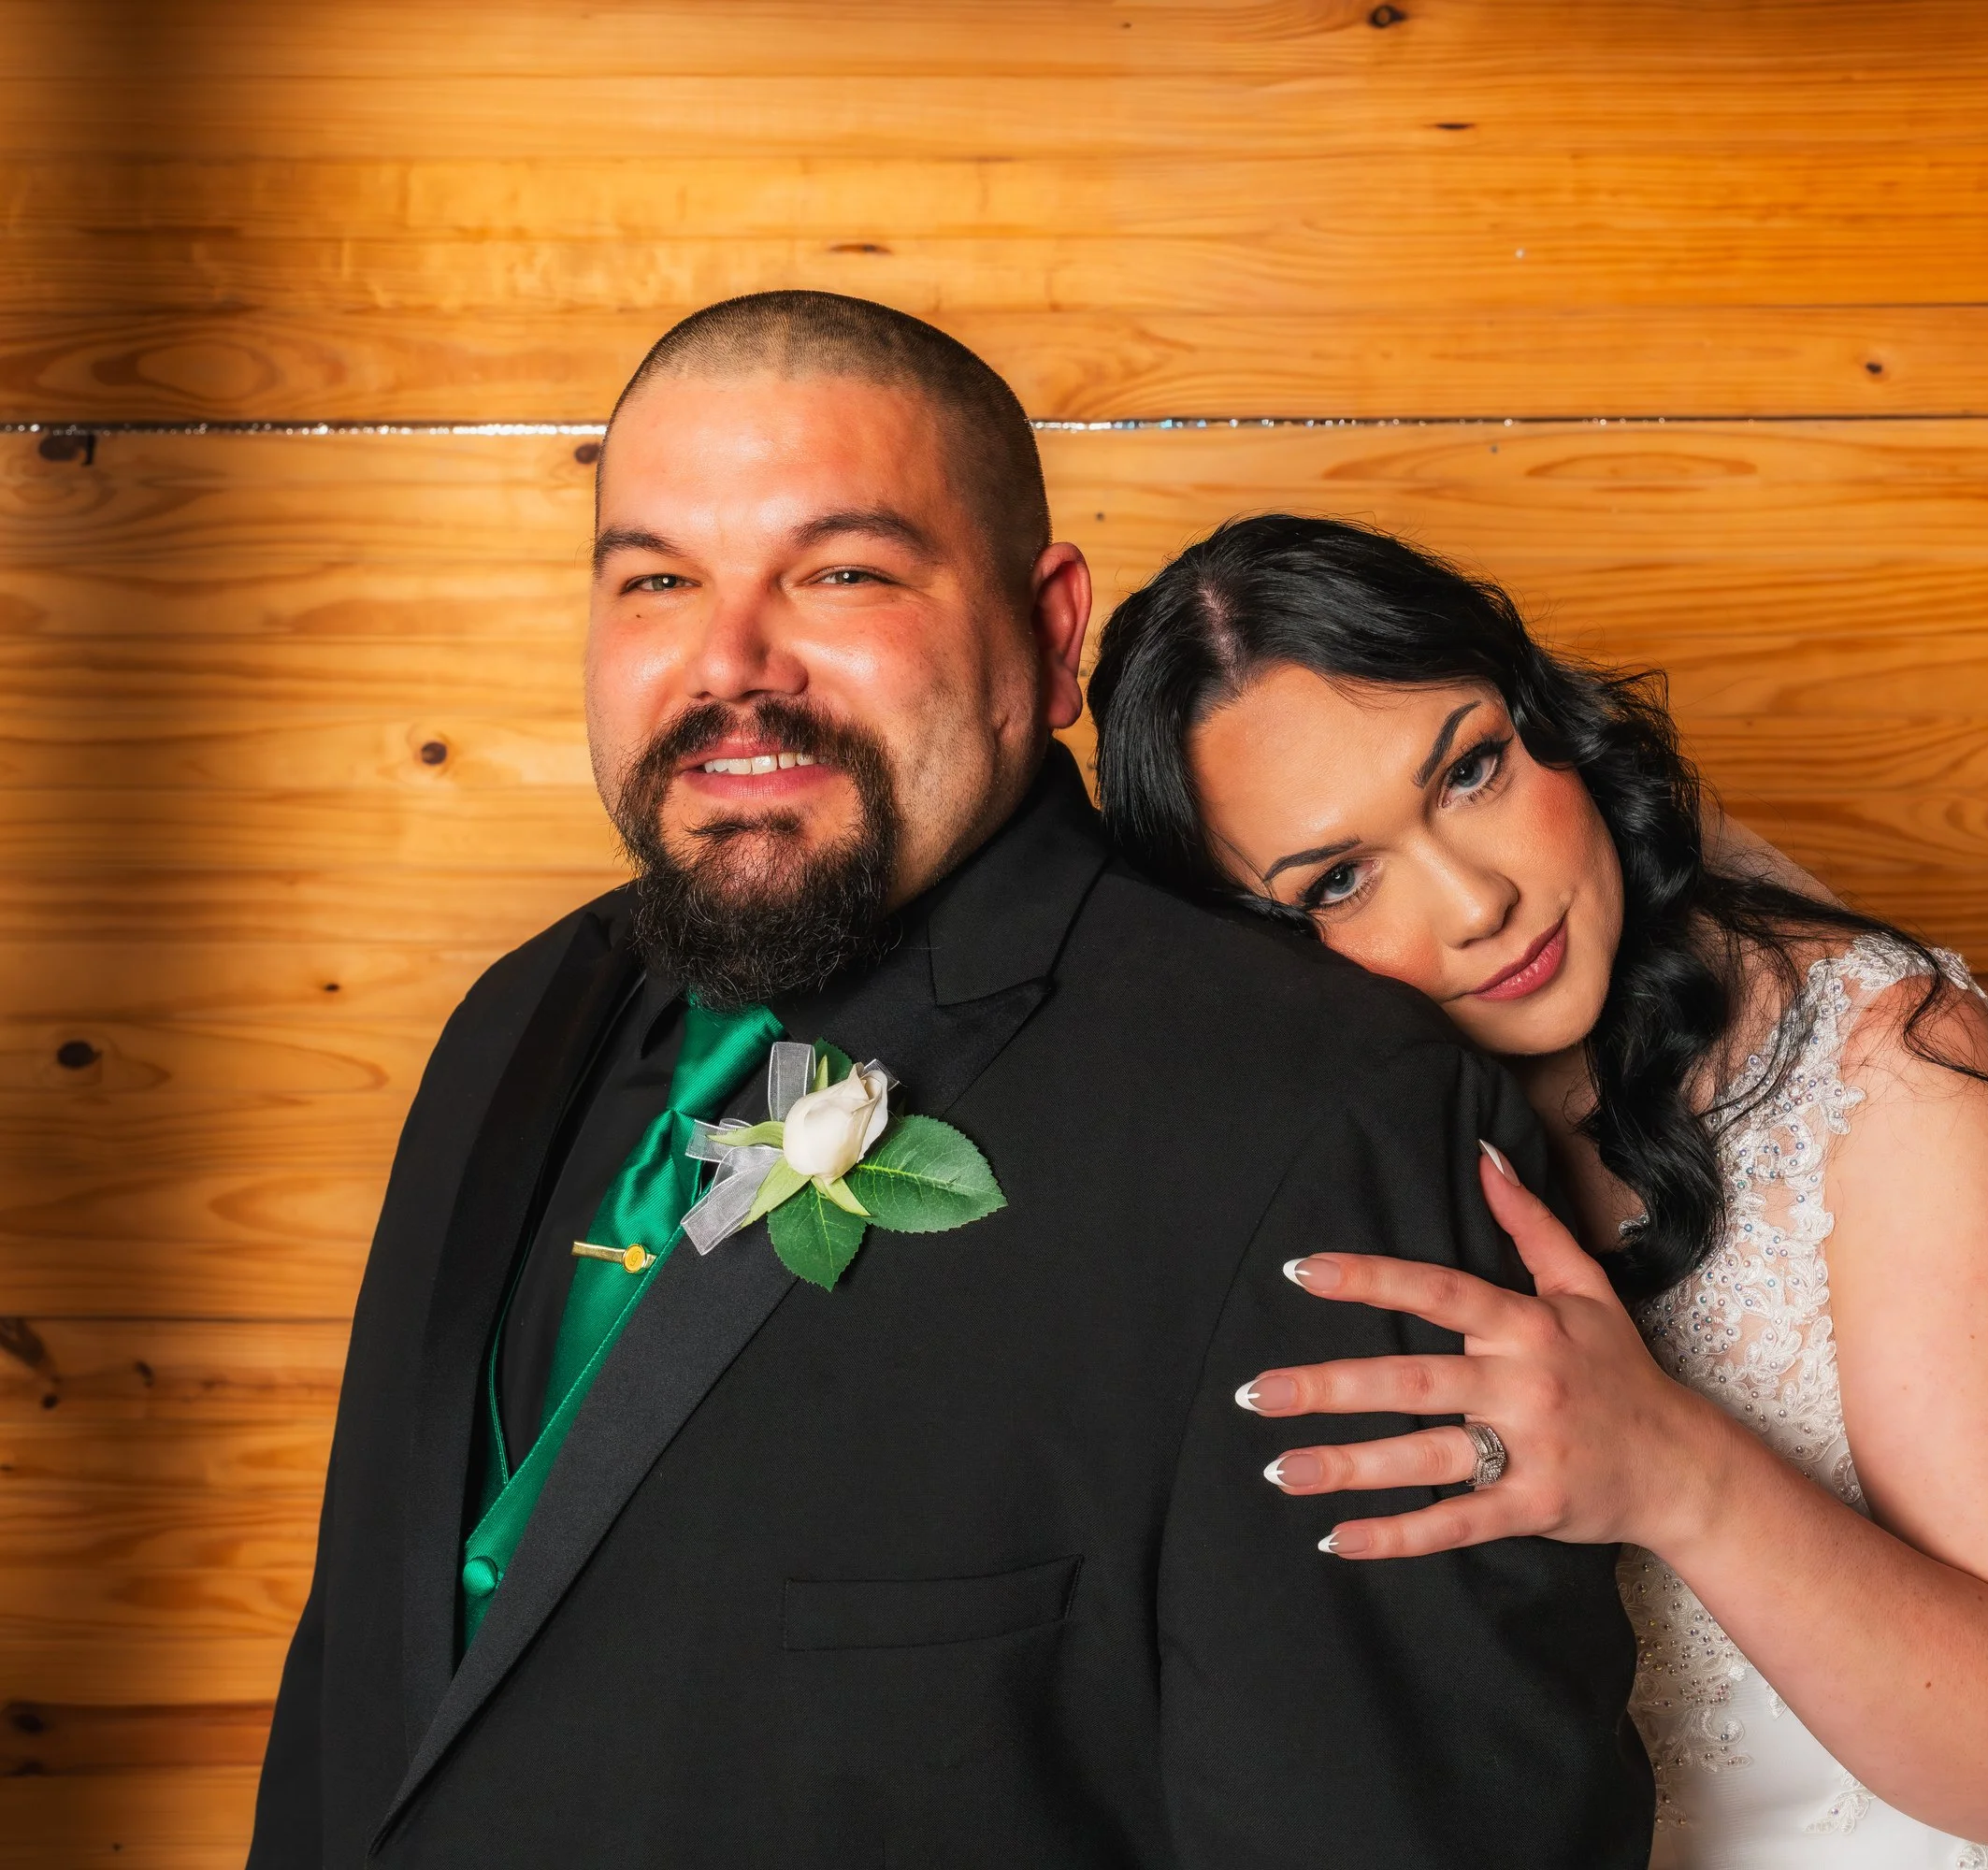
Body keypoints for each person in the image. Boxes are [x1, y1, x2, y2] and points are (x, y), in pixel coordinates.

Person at [245, 299, 1654, 1867]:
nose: (731, 664)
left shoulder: (1312, 1111)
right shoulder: (511, 1019)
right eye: (656, 580)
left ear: (1051, 634)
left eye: (840, 571)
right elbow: (362, 1697)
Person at [1088, 514, 1988, 1870]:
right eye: (1339, 879)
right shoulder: (1311, 1184)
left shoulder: (1887, 1073)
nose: (1477, 901)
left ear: (1547, 722)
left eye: (1471, 772)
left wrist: (1672, 1472)